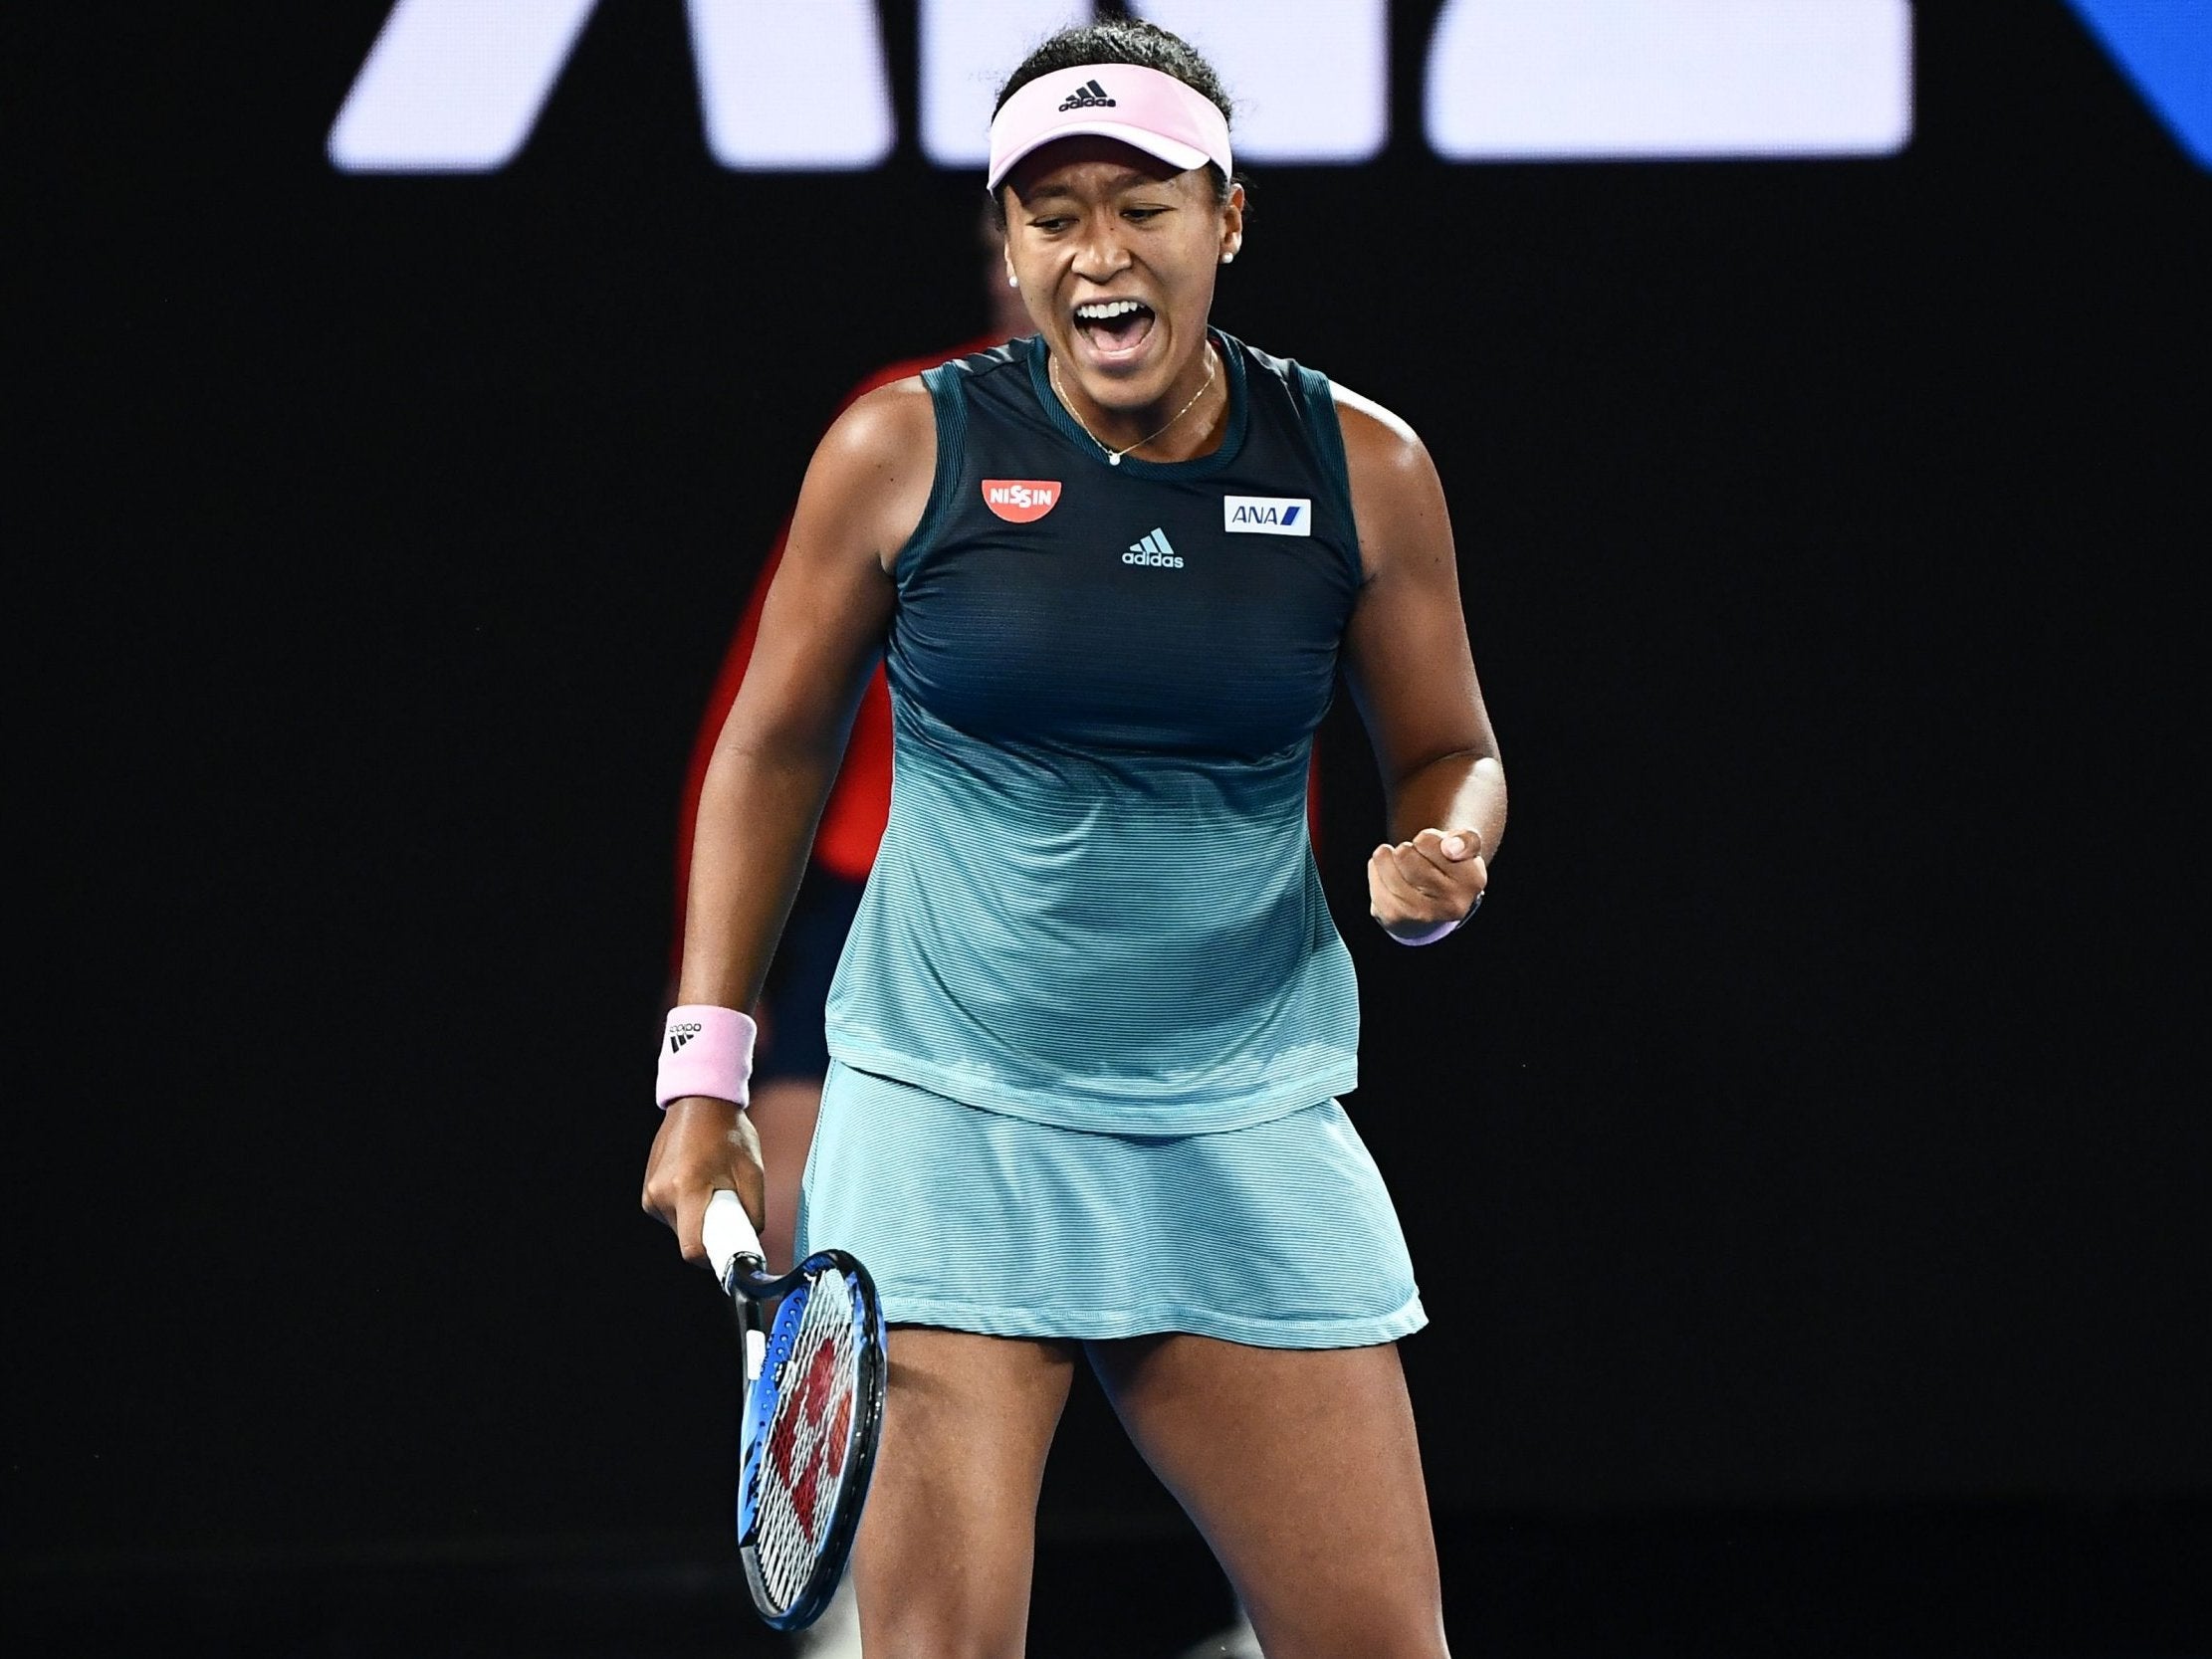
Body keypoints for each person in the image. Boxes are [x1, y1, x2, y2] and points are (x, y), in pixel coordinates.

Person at [642, 19, 1505, 1659]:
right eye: (1052, 216)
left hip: (1241, 1121)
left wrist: (1439, 858)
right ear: (1012, 245)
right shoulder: (907, 448)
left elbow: (1451, 750)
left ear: (1225, 218)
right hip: (947, 1120)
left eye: (1141, 205)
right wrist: (705, 1079)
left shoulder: (1363, 469)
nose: (1097, 251)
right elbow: (768, 748)